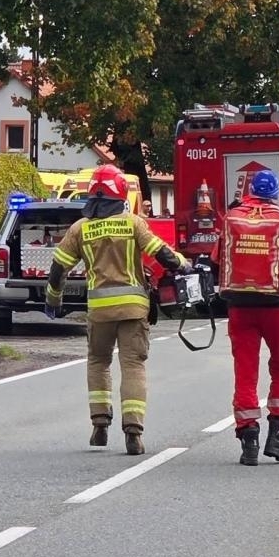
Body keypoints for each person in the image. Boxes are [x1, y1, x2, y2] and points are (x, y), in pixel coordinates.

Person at [45, 164, 190, 455]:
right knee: (133, 366)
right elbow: (161, 254)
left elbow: (58, 268)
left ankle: (99, 425)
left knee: (99, 363)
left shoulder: (80, 228)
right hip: (133, 309)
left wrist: (53, 298)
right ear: (120, 192)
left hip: (99, 312)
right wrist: (184, 263)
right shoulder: (133, 223)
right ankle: (133, 431)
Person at [216, 168, 279, 466]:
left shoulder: (232, 220)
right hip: (277, 307)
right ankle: (278, 434)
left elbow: (216, 259)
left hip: (239, 308)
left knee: (245, 371)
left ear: (248, 190)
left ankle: (248, 435)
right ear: (275, 193)